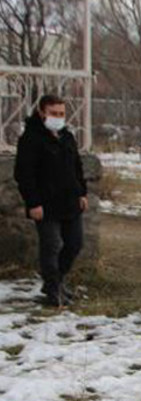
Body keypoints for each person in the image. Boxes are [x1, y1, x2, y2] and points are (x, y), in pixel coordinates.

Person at [14, 94, 88, 307]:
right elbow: (24, 174)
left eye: (61, 113)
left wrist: (82, 192)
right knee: (52, 245)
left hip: (70, 201)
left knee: (74, 244)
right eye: (53, 113)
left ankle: (58, 279)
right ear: (41, 113)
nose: (58, 117)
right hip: (45, 204)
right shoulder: (31, 139)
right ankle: (53, 288)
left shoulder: (67, 137)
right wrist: (33, 202)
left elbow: (77, 167)